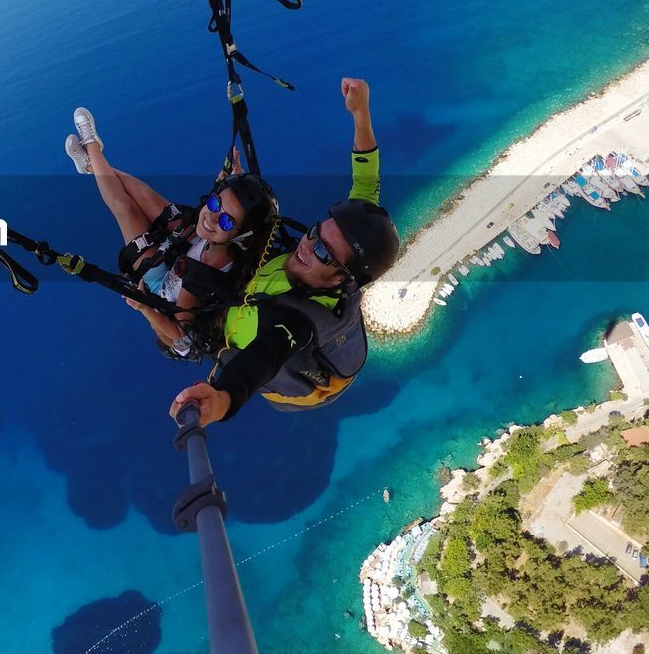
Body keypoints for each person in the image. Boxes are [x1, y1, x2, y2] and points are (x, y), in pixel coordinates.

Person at [168, 77, 399, 424]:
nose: (307, 245)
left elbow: (265, 357)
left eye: (323, 253)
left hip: (232, 330)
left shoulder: (297, 323)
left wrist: (223, 400)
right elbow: (366, 184)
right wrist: (360, 114)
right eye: (314, 232)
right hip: (254, 291)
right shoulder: (350, 245)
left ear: (343, 281)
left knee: (146, 274)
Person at [64, 107, 278, 358]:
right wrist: (235, 183)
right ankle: (93, 161)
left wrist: (145, 308)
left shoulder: (207, 272)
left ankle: (92, 149)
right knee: (145, 194)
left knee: (126, 209)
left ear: (241, 235)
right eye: (215, 203)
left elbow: (181, 336)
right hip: (194, 246)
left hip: (164, 286)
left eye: (227, 222)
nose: (212, 217)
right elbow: (231, 217)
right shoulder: (225, 233)